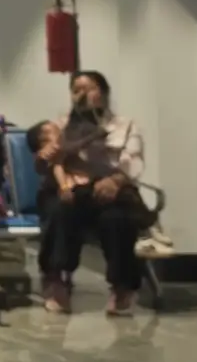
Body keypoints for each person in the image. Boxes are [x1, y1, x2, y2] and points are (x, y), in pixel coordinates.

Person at [41, 70, 151, 316]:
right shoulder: (60, 126)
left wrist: (116, 180)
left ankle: (123, 286)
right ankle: (56, 279)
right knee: (61, 211)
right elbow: (48, 162)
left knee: (117, 219)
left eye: (88, 89)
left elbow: (132, 160)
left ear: (103, 93)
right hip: (72, 189)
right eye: (76, 90)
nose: (81, 95)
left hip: (110, 190)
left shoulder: (125, 125)